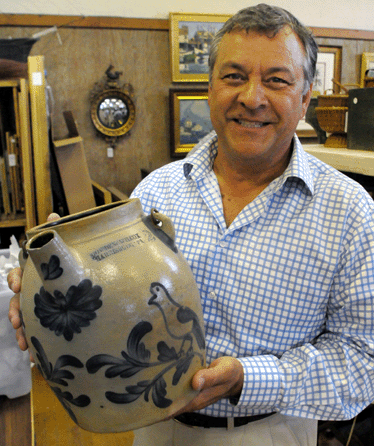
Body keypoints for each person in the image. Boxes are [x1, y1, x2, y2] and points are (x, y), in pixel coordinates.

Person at [8, 4, 374, 446]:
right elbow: (108, 303)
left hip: (271, 431)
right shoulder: (155, 193)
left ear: (305, 99)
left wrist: (248, 378)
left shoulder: (350, 211)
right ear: (210, 87)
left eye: (276, 80)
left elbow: (363, 360)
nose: (252, 97)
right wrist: (43, 289)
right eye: (234, 76)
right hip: (154, 428)